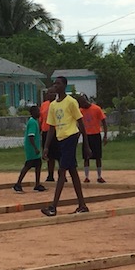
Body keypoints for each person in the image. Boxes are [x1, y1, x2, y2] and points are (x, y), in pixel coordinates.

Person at [41, 76, 90, 216]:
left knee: (62, 171)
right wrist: (46, 147)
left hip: (71, 137)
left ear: (64, 86)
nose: (55, 86)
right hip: (60, 138)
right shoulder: (53, 105)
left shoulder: (71, 102)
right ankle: (82, 205)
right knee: (72, 171)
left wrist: (86, 144)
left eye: (58, 83)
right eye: (54, 84)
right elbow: (51, 127)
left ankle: (53, 207)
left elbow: (80, 123)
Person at [12, 105, 46, 193]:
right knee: (28, 165)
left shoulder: (35, 121)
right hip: (32, 148)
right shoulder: (32, 122)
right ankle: (18, 184)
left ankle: (37, 184)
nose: (39, 113)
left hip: (35, 148)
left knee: (38, 164)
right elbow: (31, 136)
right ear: (33, 113)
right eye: (38, 111)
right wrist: (35, 148)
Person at [77, 94, 108, 183]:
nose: (81, 105)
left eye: (82, 102)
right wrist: (78, 136)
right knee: (86, 157)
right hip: (86, 136)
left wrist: (105, 136)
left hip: (95, 135)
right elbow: (79, 126)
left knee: (98, 157)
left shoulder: (96, 109)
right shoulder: (80, 111)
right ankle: (86, 177)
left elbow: (104, 122)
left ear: (86, 101)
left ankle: (99, 176)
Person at [39, 87, 60, 182]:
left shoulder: (59, 104)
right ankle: (50, 175)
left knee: (59, 155)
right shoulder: (44, 105)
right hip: (45, 131)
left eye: (53, 93)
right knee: (49, 155)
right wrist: (39, 130)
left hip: (56, 131)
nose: (51, 95)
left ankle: (62, 175)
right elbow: (41, 119)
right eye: (49, 93)